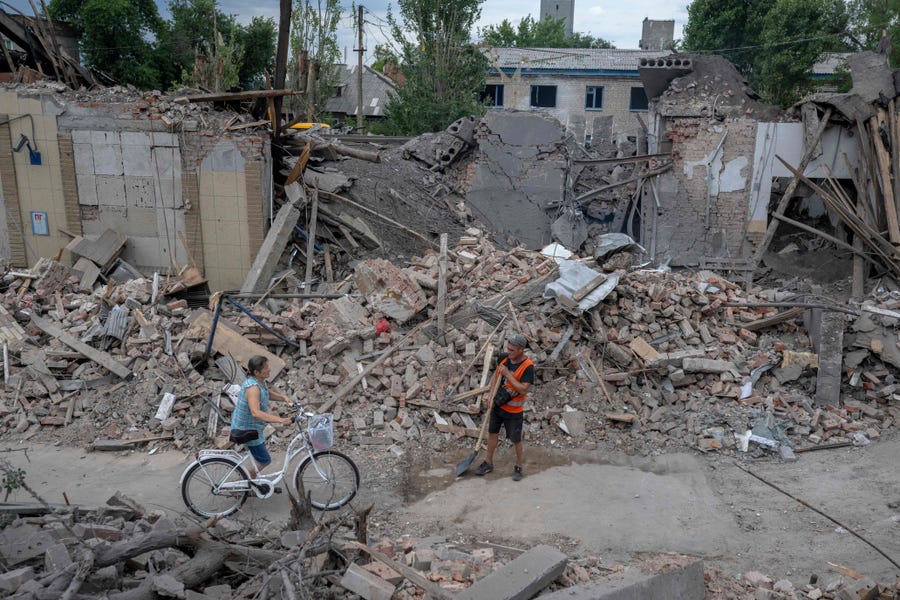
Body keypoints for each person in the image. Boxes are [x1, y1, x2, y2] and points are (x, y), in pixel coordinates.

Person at [475, 333, 535, 481]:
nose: (509, 352)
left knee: (516, 440)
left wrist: (508, 374)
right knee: (492, 434)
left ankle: (519, 466)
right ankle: (488, 462)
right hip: (498, 405)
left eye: (512, 350)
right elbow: (496, 378)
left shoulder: (528, 367)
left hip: (514, 411)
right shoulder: (503, 357)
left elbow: (523, 389)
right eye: (508, 349)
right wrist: (490, 396)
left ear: (521, 350)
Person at [230, 355, 293, 478]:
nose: (269, 369)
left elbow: (266, 393)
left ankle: (248, 481)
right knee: (265, 460)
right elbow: (256, 413)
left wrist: (283, 398)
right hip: (246, 429)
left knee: (259, 457)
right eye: (266, 368)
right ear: (256, 372)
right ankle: (241, 483)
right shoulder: (253, 388)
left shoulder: (259, 381)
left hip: (252, 427)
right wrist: (281, 420)